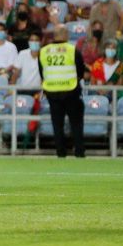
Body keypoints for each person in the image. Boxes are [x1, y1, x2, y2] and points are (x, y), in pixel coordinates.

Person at [39, 24, 85, 158]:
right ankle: (79, 152)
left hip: (52, 91)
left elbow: (42, 72)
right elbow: (80, 70)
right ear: (65, 35)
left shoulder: (44, 51)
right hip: (71, 90)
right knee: (76, 123)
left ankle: (60, 152)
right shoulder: (72, 49)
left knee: (57, 125)